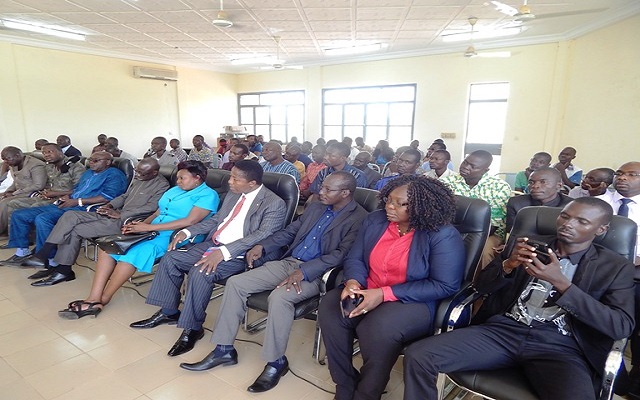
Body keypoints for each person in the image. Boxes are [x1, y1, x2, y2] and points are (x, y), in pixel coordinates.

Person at [403, 197, 635, 400]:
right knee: (419, 356)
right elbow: (480, 287)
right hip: (503, 331)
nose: (568, 224)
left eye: (581, 221)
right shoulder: (528, 244)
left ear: (601, 230)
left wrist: (562, 283)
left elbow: (620, 325)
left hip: (561, 346)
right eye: (565, 216)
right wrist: (507, 265)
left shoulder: (615, 266)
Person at [179, 172, 368, 393]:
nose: (320, 191)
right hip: (288, 262)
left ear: (345, 193)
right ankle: (224, 350)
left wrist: (304, 271)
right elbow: (290, 231)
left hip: (317, 273)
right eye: (322, 187)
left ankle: (276, 362)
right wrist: (264, 245)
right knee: (236, 284)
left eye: (328, 189)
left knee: (279, 297)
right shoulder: (317, 207)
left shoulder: (360, 218)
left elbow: (342, 254)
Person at [318, 175, 465, 400]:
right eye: (388, 200)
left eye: (400, 203)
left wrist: (383, 294)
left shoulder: (442, 234)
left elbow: (445, 284)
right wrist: (353, 282)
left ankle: (368, 393)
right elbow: (355, 257)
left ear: (422, 207)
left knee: (377, 327)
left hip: (411, 300)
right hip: (369, 287)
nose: (389, 207)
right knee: (331, 307)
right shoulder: (375, 221)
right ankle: (344, 384)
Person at [129, 160, 287, 357]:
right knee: (171, 259)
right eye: (231, 177)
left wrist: (224, 252)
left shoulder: (274, 203)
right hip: (215, 243)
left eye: (235, 179)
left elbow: (262, 235)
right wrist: (187, 232)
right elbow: (216, 220)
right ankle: (169, 312)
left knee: (201, 271)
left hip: (240, 253)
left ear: (252, 183)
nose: (229, 182)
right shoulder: (234, 194)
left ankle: (193, 328)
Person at [57, 161, 219, 318]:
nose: (178, 181)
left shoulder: (208, 195)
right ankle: (93, 297)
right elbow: (157, 213)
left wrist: (147, 228)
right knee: (108, 247)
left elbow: (190, 221)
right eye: (177, 178)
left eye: (182, 178)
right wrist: (139, 226)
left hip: (175, 236)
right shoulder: (175, 190)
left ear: (197, 178)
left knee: (131, 255)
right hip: (151, 229)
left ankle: (102, 300)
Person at [20, 158, 169, 282]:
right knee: (70, 215)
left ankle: (62, 269)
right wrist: (109, 205)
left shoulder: (162, 185)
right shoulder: (139, 179)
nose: (137, 175)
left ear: (154, 172)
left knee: (75, 230)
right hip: (114, 213)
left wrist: (121, 215)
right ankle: (45, 255)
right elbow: (124, 196)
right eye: (137, 171)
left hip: (126, 221)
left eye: (142, 173)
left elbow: (152, 208)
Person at [1, 152, 128, 282]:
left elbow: (108, 197)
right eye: (91, 159)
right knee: (20, 215)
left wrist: (78, 201)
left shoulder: (114, 175)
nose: (91, 162)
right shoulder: (89, 173)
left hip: (84, 208)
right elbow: (77, 189)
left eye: (96, 160)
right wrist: (66, 196)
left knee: (43, 219)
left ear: (108, 162)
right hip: (68, 203)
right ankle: (22, 252)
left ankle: (50, 262)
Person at [596, 161, 640, 398]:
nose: (622, 178)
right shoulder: (599, 202)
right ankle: (612, 373)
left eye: (632, 175)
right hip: (598, 269)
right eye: (620, 174)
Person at [441, 150, 511, 266]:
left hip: (489, 234)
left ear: (485, 170)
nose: (465, 167)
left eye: (472, 166)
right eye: (465, 162)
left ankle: (483, 278)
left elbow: (493, 225)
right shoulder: (445, 183)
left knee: (485, 252)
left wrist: (464, 239)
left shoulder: (499, 187)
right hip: (450, 229)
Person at [6, 143, 85, 213]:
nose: (46, 155)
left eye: (50, 152)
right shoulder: (49, 166)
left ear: (61, 152)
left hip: (65, 199)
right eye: (44, 153)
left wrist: (55, 193)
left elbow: (80, 190)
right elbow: (47, 183)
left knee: (35, 207)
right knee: (14, 203)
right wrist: (45, 192)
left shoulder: (76, 167)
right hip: (48, 197)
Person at [506, 167, 573, 233]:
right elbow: (512, 233)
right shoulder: (516, 203)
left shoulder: (571, 206)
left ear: (558, 186)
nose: (535, 186)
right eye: (531, 182)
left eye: (543, 182)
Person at [0, 146, 47, 234]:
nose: (5, 162)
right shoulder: (13, 164)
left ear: (17, 156)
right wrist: (9, 191)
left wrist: (14, 193)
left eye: (7, 159)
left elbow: (38, 185)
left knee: (4, 203)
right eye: (3, 159)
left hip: (33, 193)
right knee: (2, 197)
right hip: (19, 192)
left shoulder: (36, 165)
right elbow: (16, 181)